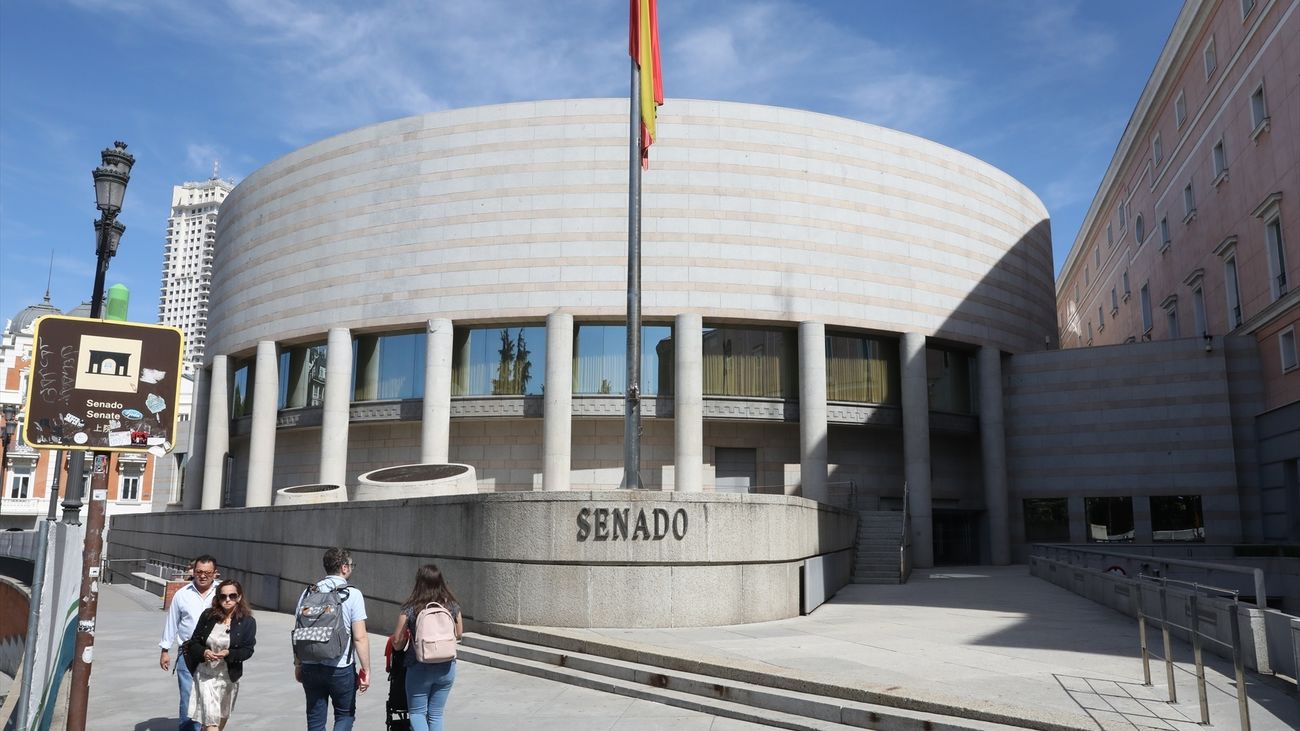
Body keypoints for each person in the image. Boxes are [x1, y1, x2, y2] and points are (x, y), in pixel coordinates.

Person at [295, 547, 371, 731]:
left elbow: (298, 631)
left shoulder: (307, 593)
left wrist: (298, 664)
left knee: (315, 720)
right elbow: (360, 637)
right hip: (340, 668)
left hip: (310, 665)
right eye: (351, 565)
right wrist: (366, 670)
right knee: (345, 715)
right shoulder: (353, 594)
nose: (352, 568)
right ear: (344, 567)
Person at [390, 565, 462, 731]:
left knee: (417, 713)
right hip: (447, 666)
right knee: (436, 714)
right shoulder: (452, 606)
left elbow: (397, 642)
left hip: (419, 666)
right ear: (440, 581)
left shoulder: (410, 607)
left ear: (419, 583)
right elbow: (458, 634)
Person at [184, 580, 257, 731]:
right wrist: (204, 652)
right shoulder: (208, 616)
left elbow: (248, 650)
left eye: (232, 595)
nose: (227, 600)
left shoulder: (248, 622)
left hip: (228, 677)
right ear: (218, 598)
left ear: (239, 597)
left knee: (221, 719)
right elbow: (194, 642)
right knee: (212, 723)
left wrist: (229, 653)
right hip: (206, 675)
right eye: (223, 596)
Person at [159, 554, 219, 731]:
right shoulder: (182, 595)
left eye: (207, 572)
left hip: (214, 653)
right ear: (193, 572)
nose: (202, 576)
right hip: (187, 653)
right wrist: (165, 650)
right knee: (188, 695)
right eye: (199, 571)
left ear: (215, 573)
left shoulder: (221, 594)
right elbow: (172, 622)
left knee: (211, 696)